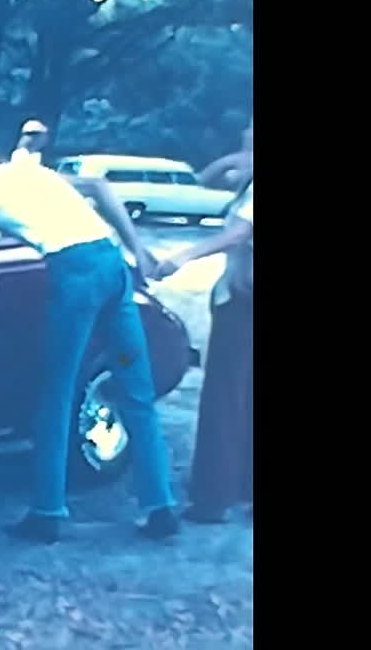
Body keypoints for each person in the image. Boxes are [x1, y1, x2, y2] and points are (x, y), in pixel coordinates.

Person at [0, 140, 180, 543]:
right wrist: (138, 251)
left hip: (76, 276)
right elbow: (98, 186)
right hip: (111, 267)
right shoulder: (24, 171)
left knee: (57, 391)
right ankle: (159, 506)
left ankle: (47, 511)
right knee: (133, 383)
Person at [153, 125, 254, 523]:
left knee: (224, 397)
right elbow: (204, 179)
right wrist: (235, 161)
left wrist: (184, 256)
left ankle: (214, 495)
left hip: (241, 301)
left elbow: (238, 234)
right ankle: (240, 485)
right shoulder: (246, 182)